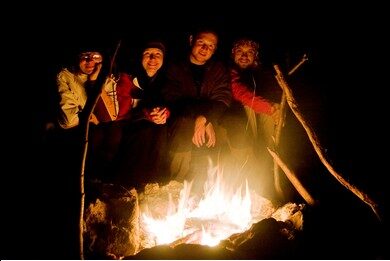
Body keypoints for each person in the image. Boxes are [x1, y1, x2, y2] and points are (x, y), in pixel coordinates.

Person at [162, 28, 232, 190]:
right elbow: (173, 98)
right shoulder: (175, 67)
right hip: (180, 120)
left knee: (218, 134)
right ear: (191, 40)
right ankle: (175, 185)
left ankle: (205, 188)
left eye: (211, 46)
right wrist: (200, 118)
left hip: (210, 120)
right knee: (184, 127)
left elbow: (222, 99)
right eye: (201, 43)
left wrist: (206, 119)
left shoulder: (218, 69)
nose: (205, 49)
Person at [228, 37, 282, 197]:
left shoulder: (258, 73)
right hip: (231, 122)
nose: (244, 56)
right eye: (240, 51)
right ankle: (250, 176)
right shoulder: (227, 70)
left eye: (249, 52)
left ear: (255, 55)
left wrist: (276, 108)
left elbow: (274, 93)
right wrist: (269, 108)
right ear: (233, 53)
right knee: (255, 108)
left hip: (254, 122)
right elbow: (240, 93)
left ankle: (269, 159)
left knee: (270, 114)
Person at [113, 40, 171, 189]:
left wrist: (164, 113)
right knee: (144, 131)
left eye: (158, 54)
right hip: (130, 122)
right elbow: (121, 111)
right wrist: (145, 114)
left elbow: (172, 101)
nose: (152, 59)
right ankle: (131, 184)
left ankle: (156, 182)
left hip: (156, 123)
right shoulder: (128, 77)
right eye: (148, 54)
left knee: (161, 130)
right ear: (140, 57)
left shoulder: (167, 78)